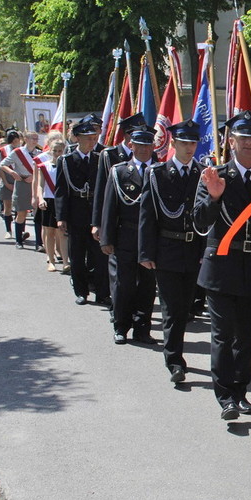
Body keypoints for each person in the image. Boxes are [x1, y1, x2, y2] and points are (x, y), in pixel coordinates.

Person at [193, 111, 251, 419]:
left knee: (246, 336)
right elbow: (199, 222)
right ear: (230, 141)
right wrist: (214, 198)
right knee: (222, 334)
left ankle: (241, 391)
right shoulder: (214, 176)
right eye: (242, 138)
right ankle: (225, 397)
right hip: (221, 266)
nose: (248, 143)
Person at [139, 121, 206, 384]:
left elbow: (205, 219)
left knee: (186, 308)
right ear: (174, 144)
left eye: (193, 143)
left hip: (193, 249)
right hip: (167, 249)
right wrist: (146, 252)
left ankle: (175, 352)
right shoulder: (157, 174)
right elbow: (148, 216)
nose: (189, 148)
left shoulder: (202, 173)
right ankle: (174, 360)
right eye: (184, 143)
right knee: (171, 309)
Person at [100, 126, 157, 346]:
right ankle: (121, 326)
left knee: (147, 286)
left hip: (151, 238)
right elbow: (109, 207)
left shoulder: (159, 171)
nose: (144, 149)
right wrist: (107, 238)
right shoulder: (120, 171)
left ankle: (143, 329)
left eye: (148, 145)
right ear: (131, 145)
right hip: (126, 234)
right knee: (123, 285)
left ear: (153, 146)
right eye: (139, 145)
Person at [55, 115, 108, 306]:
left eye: (94, 138)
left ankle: (102, 292)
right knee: (77, 256)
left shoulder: (101, 159)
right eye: (88, 139)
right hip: (76, 212)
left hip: (96, 212)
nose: (92, 142)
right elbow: (61, 190)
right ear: (78, 138)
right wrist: (61, 217)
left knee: (100, 256)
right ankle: (81, 291)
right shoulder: (66, 160)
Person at [93, 114, 138, 231]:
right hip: (116, 215)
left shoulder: (149, 155)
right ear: (127, 134)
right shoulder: (109, 154)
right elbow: (101, 189)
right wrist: (97, 223)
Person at [0, 130, 41, 249]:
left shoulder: (39, 153)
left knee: (37, 214)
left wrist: (34, 176)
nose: (35, 141)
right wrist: (12, 173)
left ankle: (39, 243)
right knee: (21, 213)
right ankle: (18, 241)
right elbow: (2, 164)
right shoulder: (18, 152)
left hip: (35, 184)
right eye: (33, 138)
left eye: (36, 138)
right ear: (26, 139)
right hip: (22, 183)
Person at [34, 138, 69, 273]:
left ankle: (66, 262)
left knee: (63, 232)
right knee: (49, 232)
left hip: (62, 202)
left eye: (60, 151)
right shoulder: (43, 166)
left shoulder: (67, 166)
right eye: (55, 150)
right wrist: (40, 198)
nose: (57, 153)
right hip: (49, 200)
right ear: (50, 150)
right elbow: (40, 185)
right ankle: (51, 260)